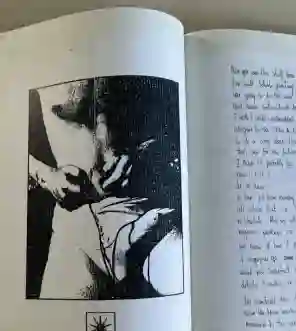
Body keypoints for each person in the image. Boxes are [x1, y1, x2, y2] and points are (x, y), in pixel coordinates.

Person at [27, 77, 183, 299]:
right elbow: (8, 144)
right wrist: (47, 176)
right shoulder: (39, 70)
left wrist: (144, 155)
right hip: (76, 228)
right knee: (56, 320)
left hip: (143, 217)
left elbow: (177, 122)